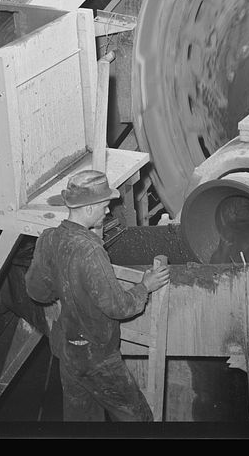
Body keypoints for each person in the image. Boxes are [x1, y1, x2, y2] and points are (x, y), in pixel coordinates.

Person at [25, 169, 170, 421]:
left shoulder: (49, 239)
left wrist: (64, 289)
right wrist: (145, 285)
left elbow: (36, 291)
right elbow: (119, 307)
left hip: (67, 351)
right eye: (104, 206)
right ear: (89, 207)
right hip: (97, 358)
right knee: (139, 419)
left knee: (81, 421)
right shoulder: (91, 251)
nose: (107, 211)